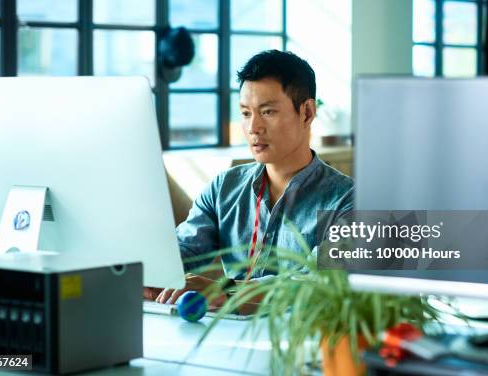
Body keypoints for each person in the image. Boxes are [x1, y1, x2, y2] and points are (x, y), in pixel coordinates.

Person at [146, 50, 354, 307]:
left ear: (307, 113)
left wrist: (227, 289)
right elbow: (182, 251)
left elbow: (318, 281)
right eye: (245, 113)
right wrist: (141, 272)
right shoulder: (224, 188)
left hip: (307, 343)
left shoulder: (350, 200)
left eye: (267, 112)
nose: (254, 127)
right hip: (225, 339)